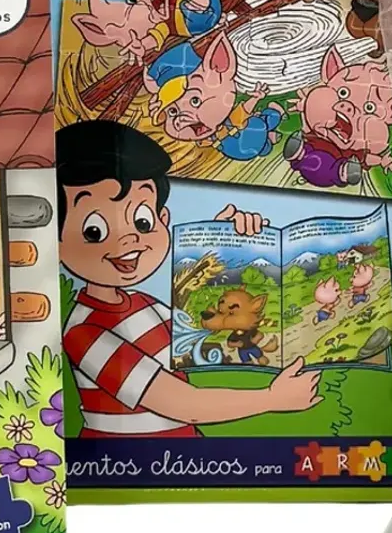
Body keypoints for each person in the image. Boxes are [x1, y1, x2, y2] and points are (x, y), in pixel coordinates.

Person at [58, 120, 319, 438]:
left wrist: (225, 240)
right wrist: (272, 398)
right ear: (56, 240)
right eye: (94, 231)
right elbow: (181, 404)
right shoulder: (83, 333)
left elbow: (206, 327)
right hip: (124, 461)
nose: (128, 240)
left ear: (162, 219)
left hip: (184, 454)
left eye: (142, 221)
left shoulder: (145, 304)